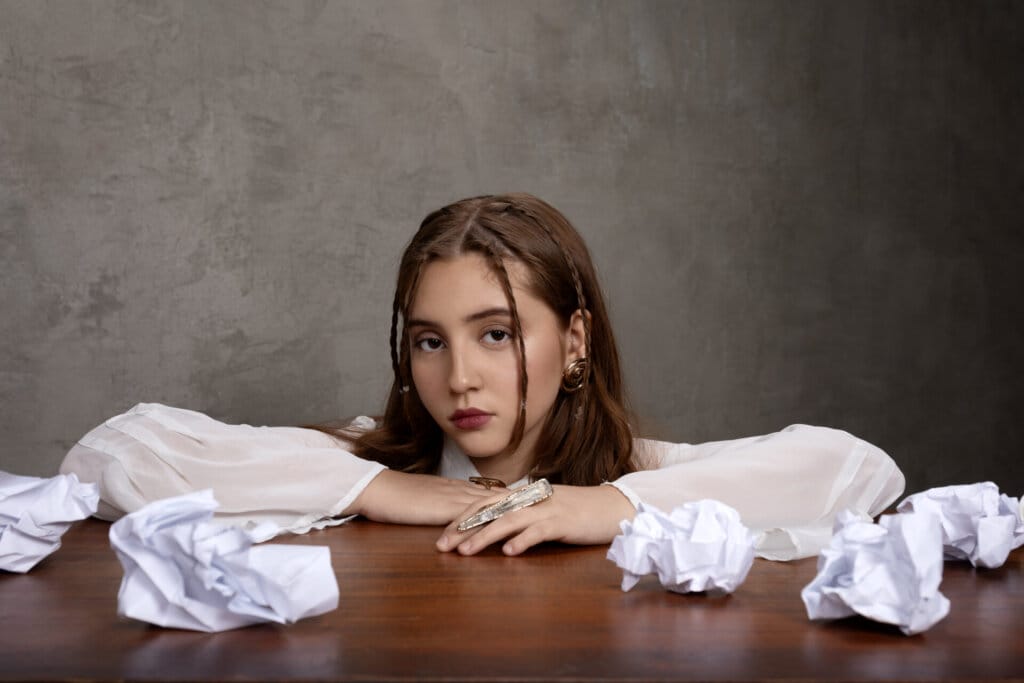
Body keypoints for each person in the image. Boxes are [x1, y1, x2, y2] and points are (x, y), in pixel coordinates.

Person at [60, 193, 905, 560]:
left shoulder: (640, 475)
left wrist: (599, 505)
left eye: (496, 334)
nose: (459, 376)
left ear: (575, 340)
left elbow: (861, 468)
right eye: (429, 342)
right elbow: (109, 454)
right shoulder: (372, 462)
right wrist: (377, 490)